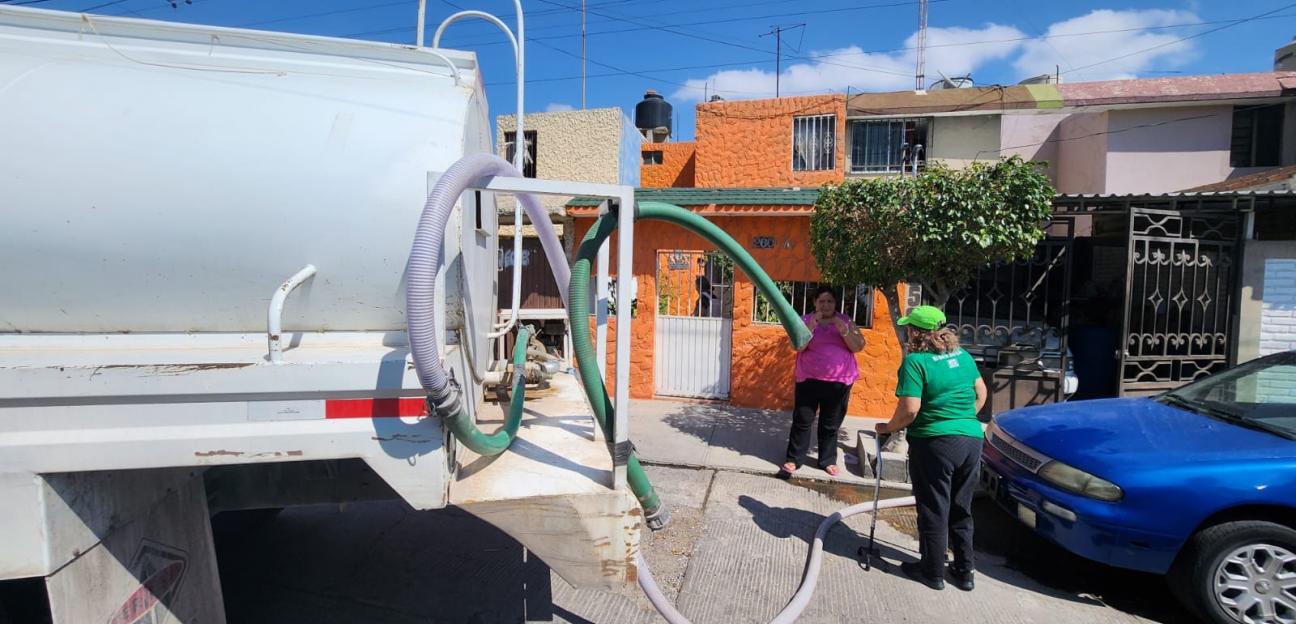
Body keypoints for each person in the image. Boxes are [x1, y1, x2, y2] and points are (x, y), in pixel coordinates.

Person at [875, 305, 988, 592]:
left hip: (934, 443)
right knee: (961, 507)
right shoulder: (962, 356)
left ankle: (932, 571)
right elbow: (981, 392)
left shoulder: (916, 362)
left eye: (908, 328)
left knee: (934, 507)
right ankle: (964, 571)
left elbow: (910, 411)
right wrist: (962, 420)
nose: (906, 332)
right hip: (971, 440)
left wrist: (887, 428)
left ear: (915, 332)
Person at [781, 285, 865, 478]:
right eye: (822, 301)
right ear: (814, 303)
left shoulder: (845, 321)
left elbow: (858, 346)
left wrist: (844, 330)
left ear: (835, 303)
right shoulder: (803, 321)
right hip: (808, 379)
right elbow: (798, 346)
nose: (825, 305)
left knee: (830, 424)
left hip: (839, 382)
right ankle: (794, 459)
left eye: (830, 301)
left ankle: (827, 460)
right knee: (802, 421)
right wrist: (812, 325)